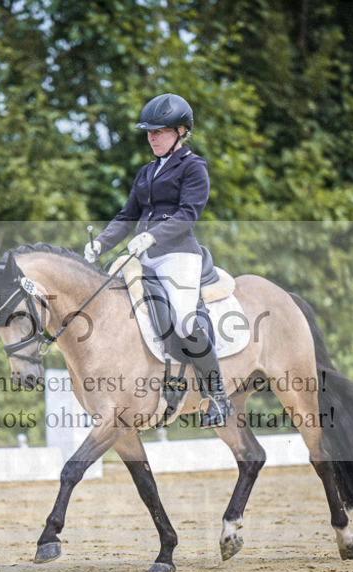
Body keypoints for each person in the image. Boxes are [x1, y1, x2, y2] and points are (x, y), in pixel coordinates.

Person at [84, 93, 233, 428]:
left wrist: (153, 236)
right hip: (143, 257)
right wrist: (100, 244)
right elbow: (127, 216)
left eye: (159, 131)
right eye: (149, 132)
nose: (152, 137)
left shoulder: (194, 167)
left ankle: (218, 396)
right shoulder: (146, 172)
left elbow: (188, 213)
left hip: (178, 256)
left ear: (180, 132)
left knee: (183, 320)